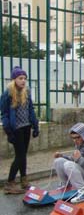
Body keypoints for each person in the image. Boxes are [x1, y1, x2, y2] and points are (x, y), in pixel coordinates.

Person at [1, 66, 39, 194]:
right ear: (14, 79)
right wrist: (9, 132)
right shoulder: (7, 94)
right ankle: (10, 183)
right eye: (20, 78)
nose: (23, 81)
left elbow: (31, 110)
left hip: (26, 127)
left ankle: (24, 180)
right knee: (20, 156)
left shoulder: (26, 92)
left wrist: (35, 125)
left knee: (23, 156)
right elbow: (5, 115)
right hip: (16, 129)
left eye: (25, 78)